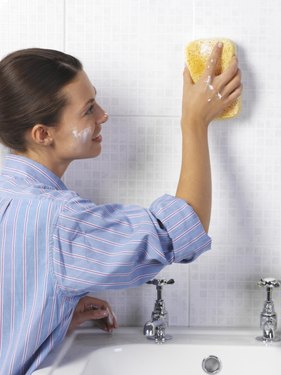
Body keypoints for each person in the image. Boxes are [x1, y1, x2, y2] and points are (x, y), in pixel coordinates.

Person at [0, 43, 242, 374]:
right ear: (43, 134)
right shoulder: (57, 219)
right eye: (88, 110)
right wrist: (194, 123)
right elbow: (181, 231)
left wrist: (47, 316)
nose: (103, 115)